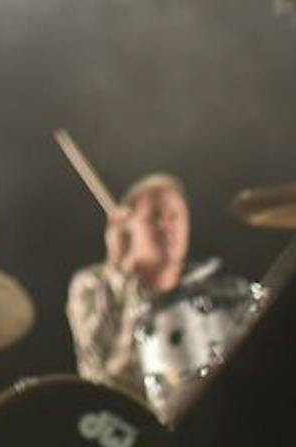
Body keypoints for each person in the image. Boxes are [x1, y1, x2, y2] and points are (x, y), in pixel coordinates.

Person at [65, 174, 208, 408]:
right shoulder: (91, 285)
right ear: (127, 227)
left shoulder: (207, 291)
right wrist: (121, 272)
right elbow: (99, 379)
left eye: (174, 217)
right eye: (155, 217)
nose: (166, 226)